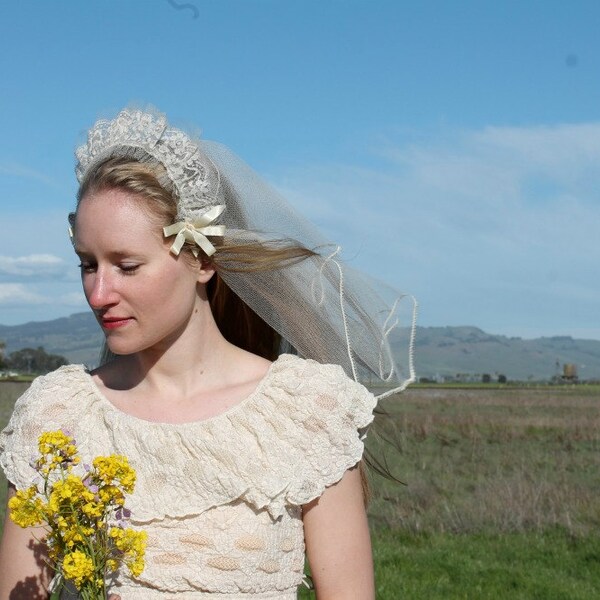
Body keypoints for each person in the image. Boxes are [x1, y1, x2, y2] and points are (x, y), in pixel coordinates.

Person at [0, 107, 416, 599]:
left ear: (200, 260)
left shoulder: (307, 414)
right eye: (88, 264)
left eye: (127, 266)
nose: (98, 293)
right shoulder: (55, 417)